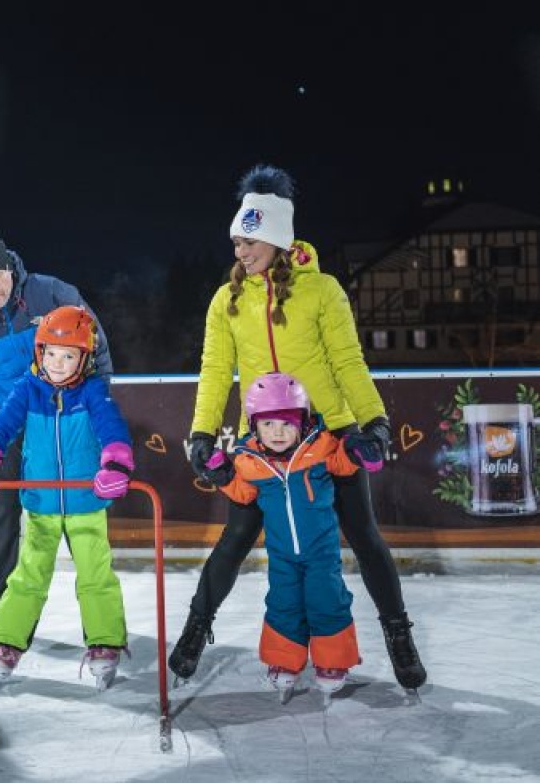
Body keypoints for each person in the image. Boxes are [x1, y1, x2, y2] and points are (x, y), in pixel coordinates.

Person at [170, 164, 427, 690]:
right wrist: (202, 432)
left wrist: (374, 421)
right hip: (260, 440)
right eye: (237, 241)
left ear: (277, 238)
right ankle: (197, 630)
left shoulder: (322, 292)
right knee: (236, 538)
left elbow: (348, 362)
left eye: (251, 240)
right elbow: (216, 370)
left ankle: (399, 635)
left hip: (329, 433)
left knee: (363, 535)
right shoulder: (229, 300)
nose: (241, 251)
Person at [0, 219, 113, 644]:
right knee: (1, 506)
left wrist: (91, 411)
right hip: (10, 420)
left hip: (65, 413)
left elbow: (97, 349)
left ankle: (97, 614)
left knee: (80, 512)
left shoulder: (51, 293)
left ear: (10, 267)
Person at [0, 306, 132, 689]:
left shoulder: (92, 392)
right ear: (39, 353)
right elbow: (1, 425)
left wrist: (116, 465)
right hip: (40, 503)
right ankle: (7, 641)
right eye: (51, 354)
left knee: (95, 575)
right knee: (29, 576)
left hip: (86, 502)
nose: (57, 364)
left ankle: (104, 643)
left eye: (68, 355)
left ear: (84, 358)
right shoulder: (28, 390)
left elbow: (112, 430)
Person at [201, 372, 385, 701]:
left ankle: (333, 662)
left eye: (287, 424)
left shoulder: (320, 448)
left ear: (302, 421)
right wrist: (223, 475)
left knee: (327, 601)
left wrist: (360, 451)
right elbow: (243, 494)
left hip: (321, 554)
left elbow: (344, 463)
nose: (278, 433)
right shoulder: (251, 462)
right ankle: (284, 662)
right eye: (268, 425)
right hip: (282, 556)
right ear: (254, 425)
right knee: (283, 604)